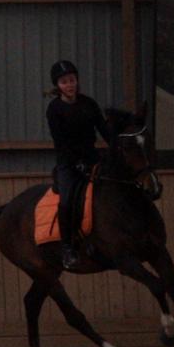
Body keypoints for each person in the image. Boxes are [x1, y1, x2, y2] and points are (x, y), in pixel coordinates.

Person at [46, 59, 111, 270]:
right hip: (68, 162)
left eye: (72, 80)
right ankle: (68, 247)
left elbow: (103, 129)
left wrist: (117, 146)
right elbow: (61, 141)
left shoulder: (89, 103)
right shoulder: (54, 109)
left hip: (92, 157)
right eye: (64, 82)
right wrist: (76, 163)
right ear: (58, 86)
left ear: (77, 81)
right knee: (66, 201)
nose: (70, 84)